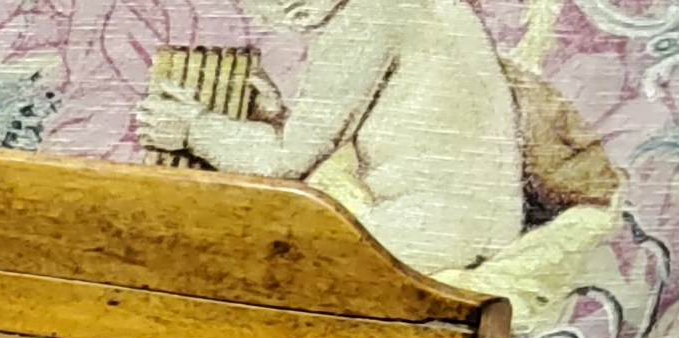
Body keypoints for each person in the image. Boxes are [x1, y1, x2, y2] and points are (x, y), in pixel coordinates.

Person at [134, 0, 525, 276]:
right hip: (478, 223)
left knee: (224, 258)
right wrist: (275, 118)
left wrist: (192, 129)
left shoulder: (366, 17)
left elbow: (284, 161)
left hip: (427, 228)